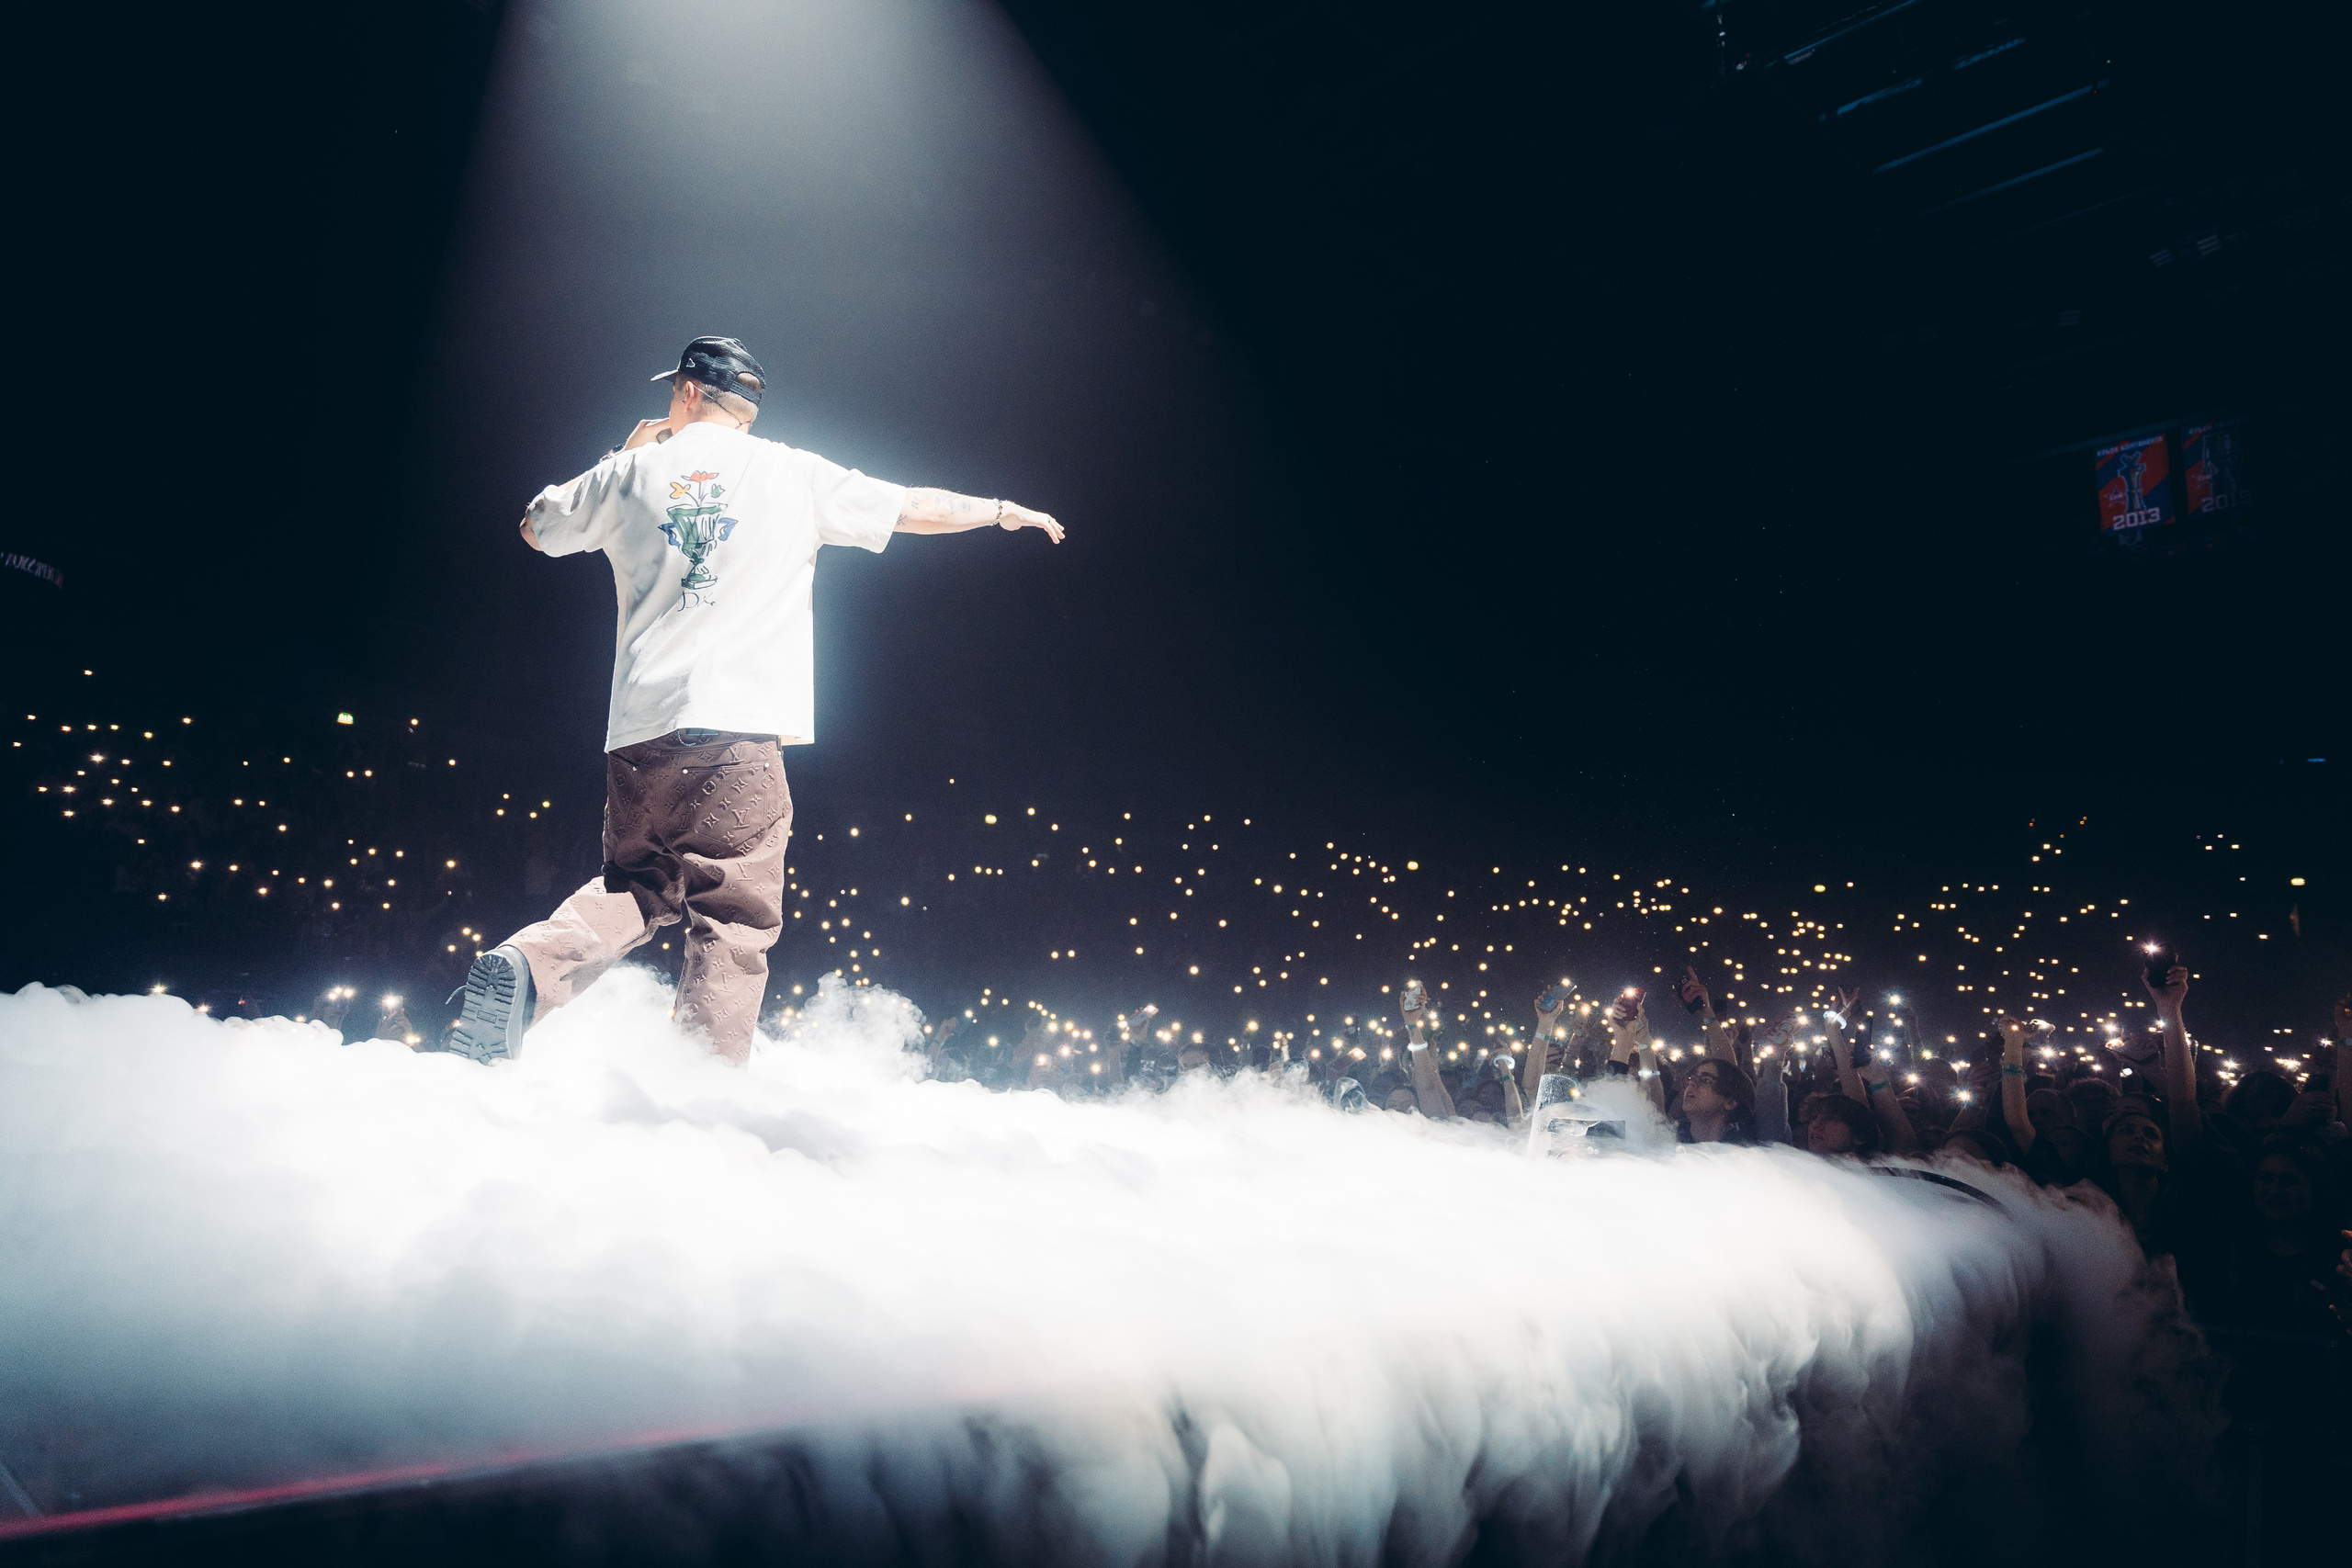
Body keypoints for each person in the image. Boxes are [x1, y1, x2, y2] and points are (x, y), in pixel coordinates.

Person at [450, 336, 1063, 1065]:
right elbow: (909, 508)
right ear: (743, 407)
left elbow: (536, 529)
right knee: (734, 912)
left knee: (637, 886)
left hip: (639, 736)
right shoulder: (792, 472)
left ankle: (527, 968)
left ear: (683, 392)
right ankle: (699, 1089)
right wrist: (998, 510)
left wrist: (625, 452)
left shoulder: (630, 471)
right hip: (737, 733)